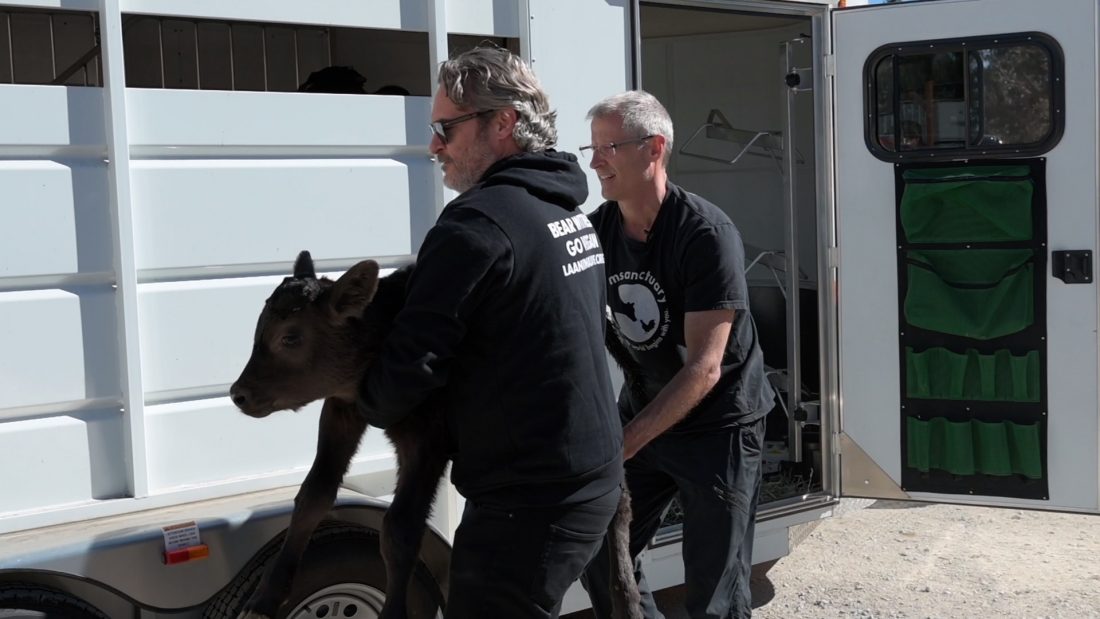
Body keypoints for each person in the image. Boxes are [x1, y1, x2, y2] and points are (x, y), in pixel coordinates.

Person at [354, 46, 623, 618]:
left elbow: (412, 364)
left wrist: (363, 397)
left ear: (502, 124)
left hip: (529, 502)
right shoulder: (564, 212)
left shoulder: (476, 224)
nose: (434, 147)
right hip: (590, 479)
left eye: (445, 129)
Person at [579, 90, 776, 619]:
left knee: (715, 591)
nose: (595, 161)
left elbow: (705, 368)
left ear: (653, 149)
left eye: (609, 147)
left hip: (720, 426)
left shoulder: (705, 234)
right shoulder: (597, 232)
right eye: (592, 147)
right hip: (646, 409)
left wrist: (622, 443)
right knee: (601, 546)